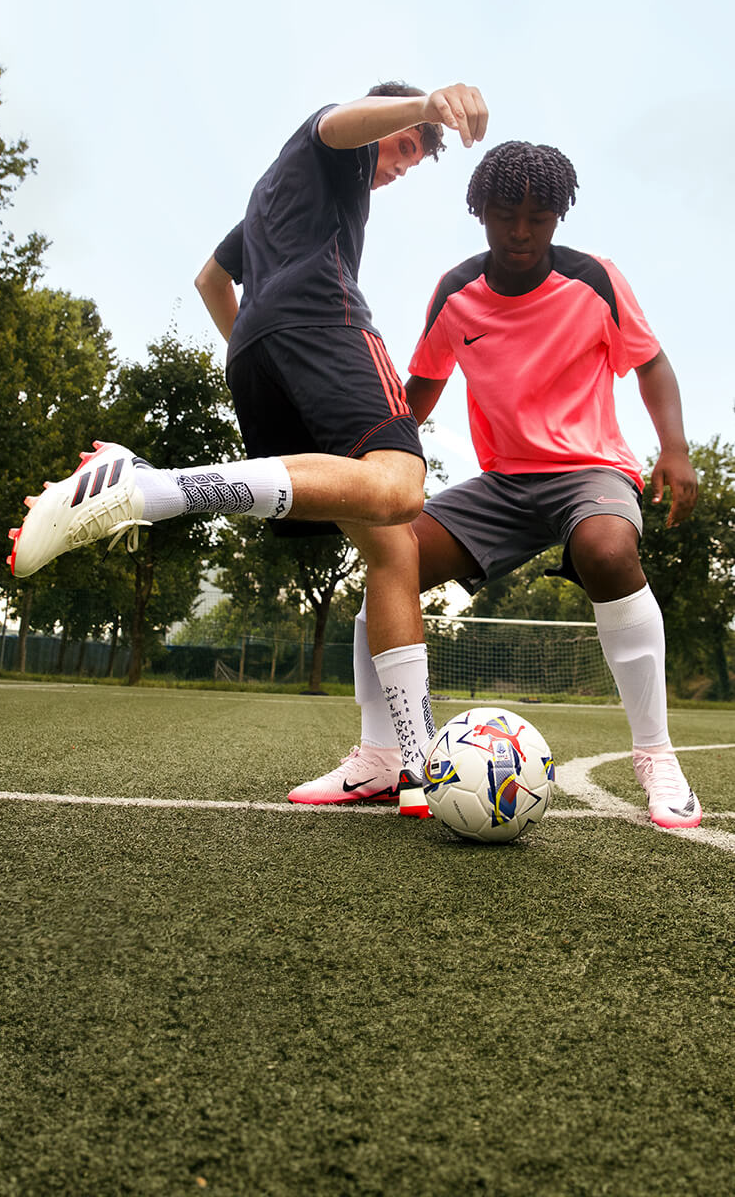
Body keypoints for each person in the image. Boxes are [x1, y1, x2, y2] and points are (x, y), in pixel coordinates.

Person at [7, 81, 487, 803]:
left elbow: (209, 278)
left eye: (414, 160)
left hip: (260, 353)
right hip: (326, 323)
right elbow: (338, 124)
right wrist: (423, 106)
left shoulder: (271, 201)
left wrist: (258, 346)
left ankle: (401, 762)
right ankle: (151, 487)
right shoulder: (335, 145)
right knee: (401, 488)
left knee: (392, 546)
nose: (402, 165)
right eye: (406, 151)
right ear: (384, 120)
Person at [288, 139, 702, 831]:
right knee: (393, 552)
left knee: (606, 551)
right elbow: (418, 391)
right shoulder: (456, 293)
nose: (521, 230)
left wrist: (677, 449)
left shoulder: (595, 279)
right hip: (504, 483)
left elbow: (651, 364)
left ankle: (657, 756)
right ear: (479, 210)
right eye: (506, 213)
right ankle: (382, 758)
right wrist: (366, 466)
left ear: (558, 217)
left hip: (588, 471)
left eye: (538, 216)